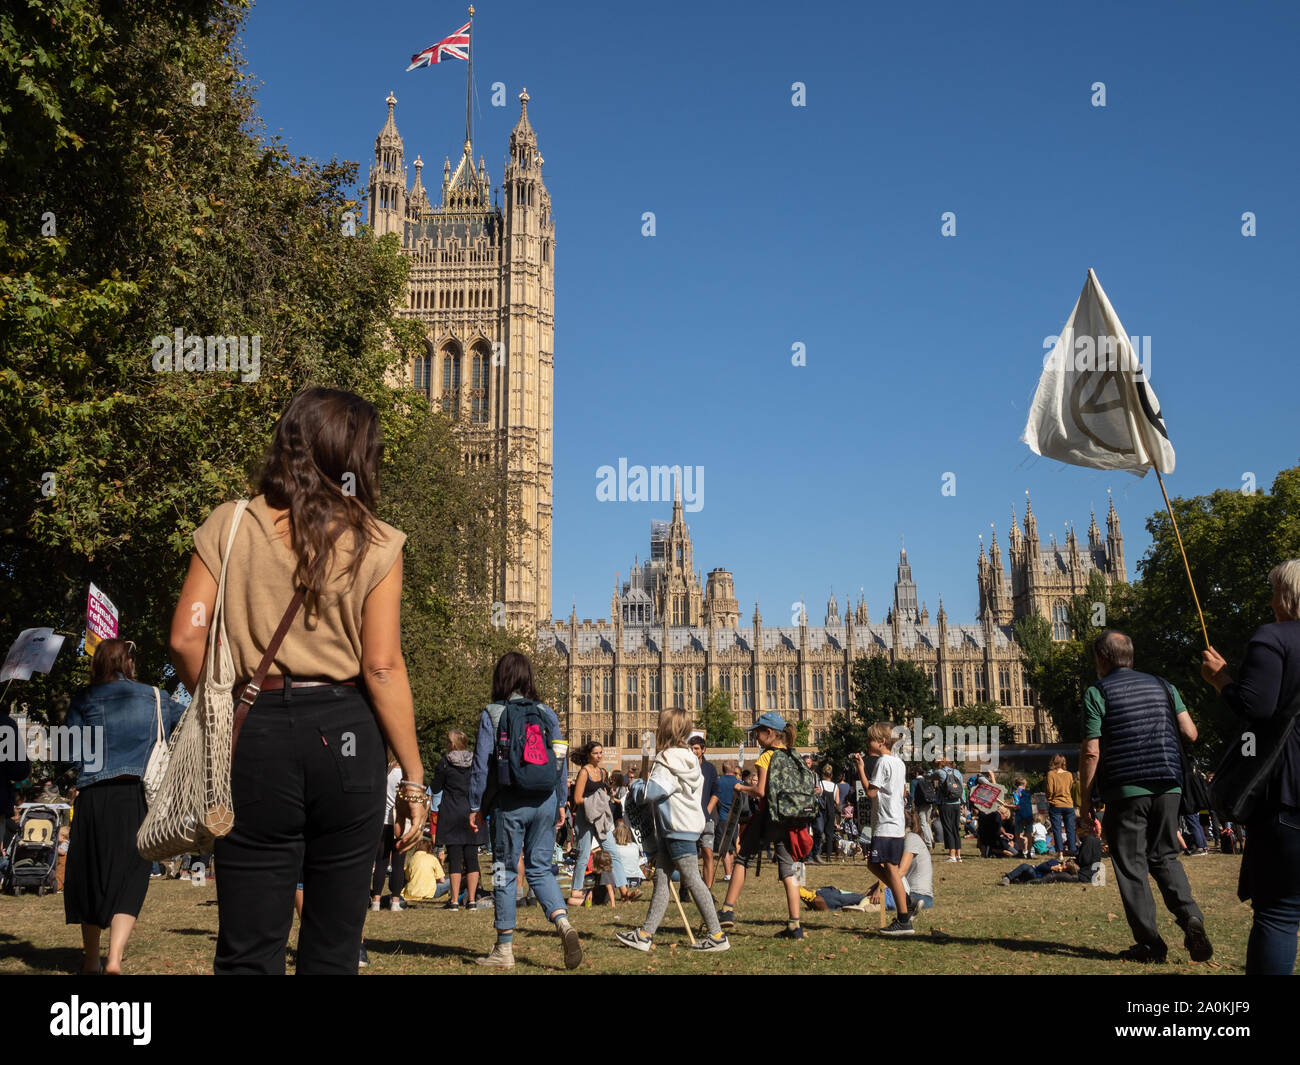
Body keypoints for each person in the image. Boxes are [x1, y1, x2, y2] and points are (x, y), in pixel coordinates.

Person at [171, 387, 426, 975]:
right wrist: (412, 779)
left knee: (248, 949)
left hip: (254, 728)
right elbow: (382, 666)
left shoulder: (229, 525)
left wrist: (221, 704)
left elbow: (187, 636)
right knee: (333, 949)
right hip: (346, 736)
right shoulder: (378, 541)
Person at [1079, 631, 1212, 964]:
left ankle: (1150, 944)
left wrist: (1086, 800)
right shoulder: (1165, 686)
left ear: (1102, 658)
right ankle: (1191, 917)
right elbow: (1191, 733)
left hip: (1126, 787)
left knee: (1131, 866)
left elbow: (1092, 751)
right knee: (1165, 856)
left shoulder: (1097, 692)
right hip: (1169, 784)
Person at [1202, 559, 1300, 975]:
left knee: (1279, 913)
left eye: (1273, 590)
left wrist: (1223, 680)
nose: (1269, 599)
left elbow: (1256, 708)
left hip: (1288, 794)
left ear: (1286, 596)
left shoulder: (1273, 637)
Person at [63, 639, 185, 974]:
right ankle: (114, 959)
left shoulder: (84, 698)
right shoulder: (158, 697)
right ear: (129, 662)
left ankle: (91, 961)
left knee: (90, 873)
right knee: (131, 875)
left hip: (93, 795)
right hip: (137, 796)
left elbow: (70, 753)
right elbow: (189, 728)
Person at [468, 652, 581, 970]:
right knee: (541, 869)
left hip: (509, 802)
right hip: (545, 801)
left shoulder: (493, 712)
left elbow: (480, 765)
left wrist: (475, 805)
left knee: (505, 872)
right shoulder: (547, 713)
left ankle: (504, 949)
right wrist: (561, 802)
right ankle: (563, 922)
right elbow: (560, 761)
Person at [616, 708, 729, 952]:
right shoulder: (689, 756)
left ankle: (717, 934)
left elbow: (653, 792)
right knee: (661, 879)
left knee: (693, 879)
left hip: (676, 827)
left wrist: (635, 787)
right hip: (680, 826)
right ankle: (645, 934)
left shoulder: (667, 758)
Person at [717, 712, 806, 939]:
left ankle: (727, 910)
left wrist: (741, 788)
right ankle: (795, 924)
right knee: (788, 868)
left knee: (742, 857)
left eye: (758, 732)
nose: (755, 737)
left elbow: (760, 791)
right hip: (791, 818)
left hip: (770, 816)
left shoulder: (767, 757)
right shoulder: (794, 755)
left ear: (769, 733)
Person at [852, 724, 913, 935]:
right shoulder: (899, 763)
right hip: (895, 821)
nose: (868, 743)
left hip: (886, 822)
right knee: (874, 864)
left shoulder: (883, 762)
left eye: (871, 740)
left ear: (881, 743)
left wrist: (860, 768)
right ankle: (905, 901)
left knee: (890, 868)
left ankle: (904, 918)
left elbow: (870, 792)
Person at [565, 741, 628, 907]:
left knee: (613, 852)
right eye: (596, 753)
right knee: (583, 855)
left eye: (601, 752)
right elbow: (577, 799)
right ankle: (576, 890)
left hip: (599, 819)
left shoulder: (602, 772)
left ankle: (624, 890)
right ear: (588, 755)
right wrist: (596, 802)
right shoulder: (584, 772)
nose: (599, 756)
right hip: (584, 818)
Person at [427, 729, 483, 911]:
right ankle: (472, 900)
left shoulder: (445, 763)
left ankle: (453, 901)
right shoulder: (476, 761)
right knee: (472, 857)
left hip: (451, 811)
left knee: (455, 857)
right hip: (471, 811)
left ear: (450, 744)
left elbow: (436, 788)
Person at [868, 809, 935, 913]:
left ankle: (838, 897)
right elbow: (893, 873)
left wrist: (880, 888)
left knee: (869, 900)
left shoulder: (912, 839)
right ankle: (836, 895)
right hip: (906, 892)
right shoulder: (902, 841)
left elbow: (900, 872)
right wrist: (876, 886)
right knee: (867, 897)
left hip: (918, 896)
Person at [371, 754, 407, 911]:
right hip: (401, 822)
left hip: (383, 820)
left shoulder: (384, 772)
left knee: (381, 862)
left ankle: (376, 901)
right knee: (399, 863)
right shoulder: (405, 775)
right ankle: (395, 901)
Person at [689, 736, 720, 884]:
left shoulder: (710, 769)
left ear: (703, 750)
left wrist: (706, 811)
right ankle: (687, 887)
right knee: (689, 855)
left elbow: (715, 793)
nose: (693, 751)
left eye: (696, 748)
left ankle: (707, 889)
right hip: (688, 818)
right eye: (691, 748)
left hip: (706, 818)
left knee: (707, 853)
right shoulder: (686, 767)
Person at [933, 757, 964, 863]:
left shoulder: (939, 772)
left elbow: (929, 777)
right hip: (957, 803)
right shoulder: (957, 772)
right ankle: (958, 855)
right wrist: (962, 802)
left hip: (945, 804)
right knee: (956, 828)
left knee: (948, 828)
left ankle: (952, 855)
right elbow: (962, 788)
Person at [713, 761, 740, 880]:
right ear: (734, 769)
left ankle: (728, 874)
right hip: (735, 818)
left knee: (724, 848)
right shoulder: (739, 783)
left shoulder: (718, 782)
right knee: (731, 848)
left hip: (723, 817)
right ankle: (731, 874)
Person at [1046, 755, 1077, 858]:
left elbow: (1049, 790)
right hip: (1068, 804)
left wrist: (1050, 800)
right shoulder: (1069, 774)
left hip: (1056, 804)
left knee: (1057, 829)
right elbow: (1070, 788)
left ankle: (1060, 853)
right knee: (1070, 828)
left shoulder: (1051, 774)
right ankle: (1072, 851)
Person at [815, 764, 840, 862]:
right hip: (831, 812)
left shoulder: (820, 784)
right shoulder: (835, 786)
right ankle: (829, 856)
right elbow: (837, 802)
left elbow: (817, 794)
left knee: (819, 832)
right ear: (831, 774)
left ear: (822, 774)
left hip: (821, 811)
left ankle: (817, 853)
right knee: (829, 834)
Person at [1000, 857, 1079, 885]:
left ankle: (1013, 878)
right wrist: (1051, 868)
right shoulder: (1054, 862)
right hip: (1034, 871)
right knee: (1025, 866)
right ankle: (1007, 878)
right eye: (1065, 863)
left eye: (1066, 867)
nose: (1063, 865)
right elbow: (1041, 866)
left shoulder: (1063, 875)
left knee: (1026, 870)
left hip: (1036, 877)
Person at [910, 767, 935, 848]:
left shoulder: (914, 782)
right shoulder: (927, 780)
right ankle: (931, 839)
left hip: (921, 805)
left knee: (923, 823)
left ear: (916, 773)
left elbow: (912, 795)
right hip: (929, 803)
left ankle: (928, 843)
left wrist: (912, 806)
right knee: (927, 823)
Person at [1012, 777, 1034, 857]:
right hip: (1028, 815)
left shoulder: (1016, 792)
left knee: (1017, 834)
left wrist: (1008, 806)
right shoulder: (1028, 792)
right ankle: (1029, 853)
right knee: (1029, 835)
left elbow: (1017, 805)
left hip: (1020, 815)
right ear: (1024, 784)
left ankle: (1021, 851)